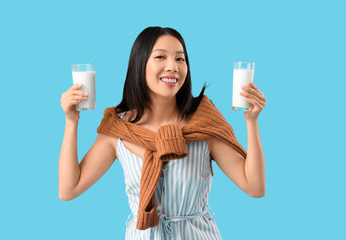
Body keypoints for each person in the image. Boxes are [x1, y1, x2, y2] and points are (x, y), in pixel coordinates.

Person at [59, 26, 266, 239]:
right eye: (160, 57)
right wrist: (71, 120)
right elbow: (69, 189)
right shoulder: (118, 129)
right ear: (140, 65)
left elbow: (254, 186)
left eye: (180, 59)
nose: (172, 67)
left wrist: (252, 121)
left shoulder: (204, 123)